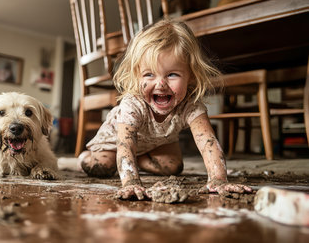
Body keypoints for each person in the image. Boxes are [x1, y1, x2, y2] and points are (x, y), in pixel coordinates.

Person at [78, 19, 252, 200]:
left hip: (155, 142)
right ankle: (84, 157)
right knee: (102, 167)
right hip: (114, 141)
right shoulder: (132, 104)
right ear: (137, 76)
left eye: (172, 74)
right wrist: (131, 182)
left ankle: (139, 158)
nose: (161, 84)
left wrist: (218, 179)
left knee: (173, 167)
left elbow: (208, 141)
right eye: (149, 74)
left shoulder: (191, 105)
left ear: (190, 76)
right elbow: (125, 145)